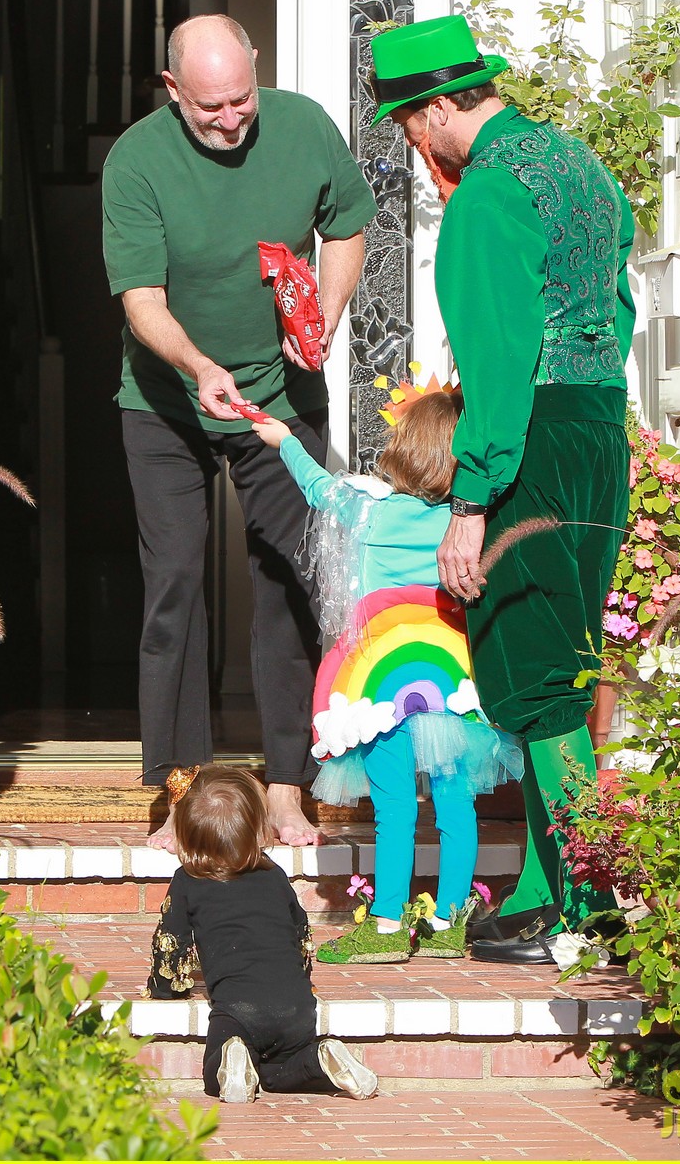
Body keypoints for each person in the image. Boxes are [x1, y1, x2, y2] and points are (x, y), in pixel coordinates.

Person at [368, 15, 632, 966]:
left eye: (407, 120)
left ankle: (582, 907)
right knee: (567, 652)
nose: (408, 139)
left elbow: (496, 356)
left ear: (441, 106)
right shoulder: (579, 166)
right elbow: (619, 308)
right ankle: (543, 885)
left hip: (532, 439)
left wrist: (472, 503)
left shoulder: (484, 197)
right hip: (599, 426)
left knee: (532, 669)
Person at [102, 14, 377, 850]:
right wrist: (198, 366)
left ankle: (287, 787)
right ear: (172, 89)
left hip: (281, 398)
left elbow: (348, 222)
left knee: (289, 579)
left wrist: (321, 317)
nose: (230, 120)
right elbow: (140, 300)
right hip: (166, 401)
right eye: (209, 107)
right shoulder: (136, 161)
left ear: (257, 64)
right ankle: (182, 791)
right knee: (175, 584)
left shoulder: (302, 125)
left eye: (241, 100)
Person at [252, 387, 522, 963]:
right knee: (456, 803)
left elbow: (318, 486)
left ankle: (387, 925)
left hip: (380, 678)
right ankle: (450, 920)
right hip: (446, 676)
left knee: (393, 805)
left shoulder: (369, 511)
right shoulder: (470, 524)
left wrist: (286, 441)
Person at [145, 765, 379, 1102]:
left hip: (238, 1011)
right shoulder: (274, 873)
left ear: (188, 833)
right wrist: (303, 977)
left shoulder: (188, 879)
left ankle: (231, 1056)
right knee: (278, 1073)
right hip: (296, 1008)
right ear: (258, 827)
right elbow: (300, 934)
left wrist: (165, 989)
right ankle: (321, 1059)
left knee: (216, 1074)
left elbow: (170, 943)